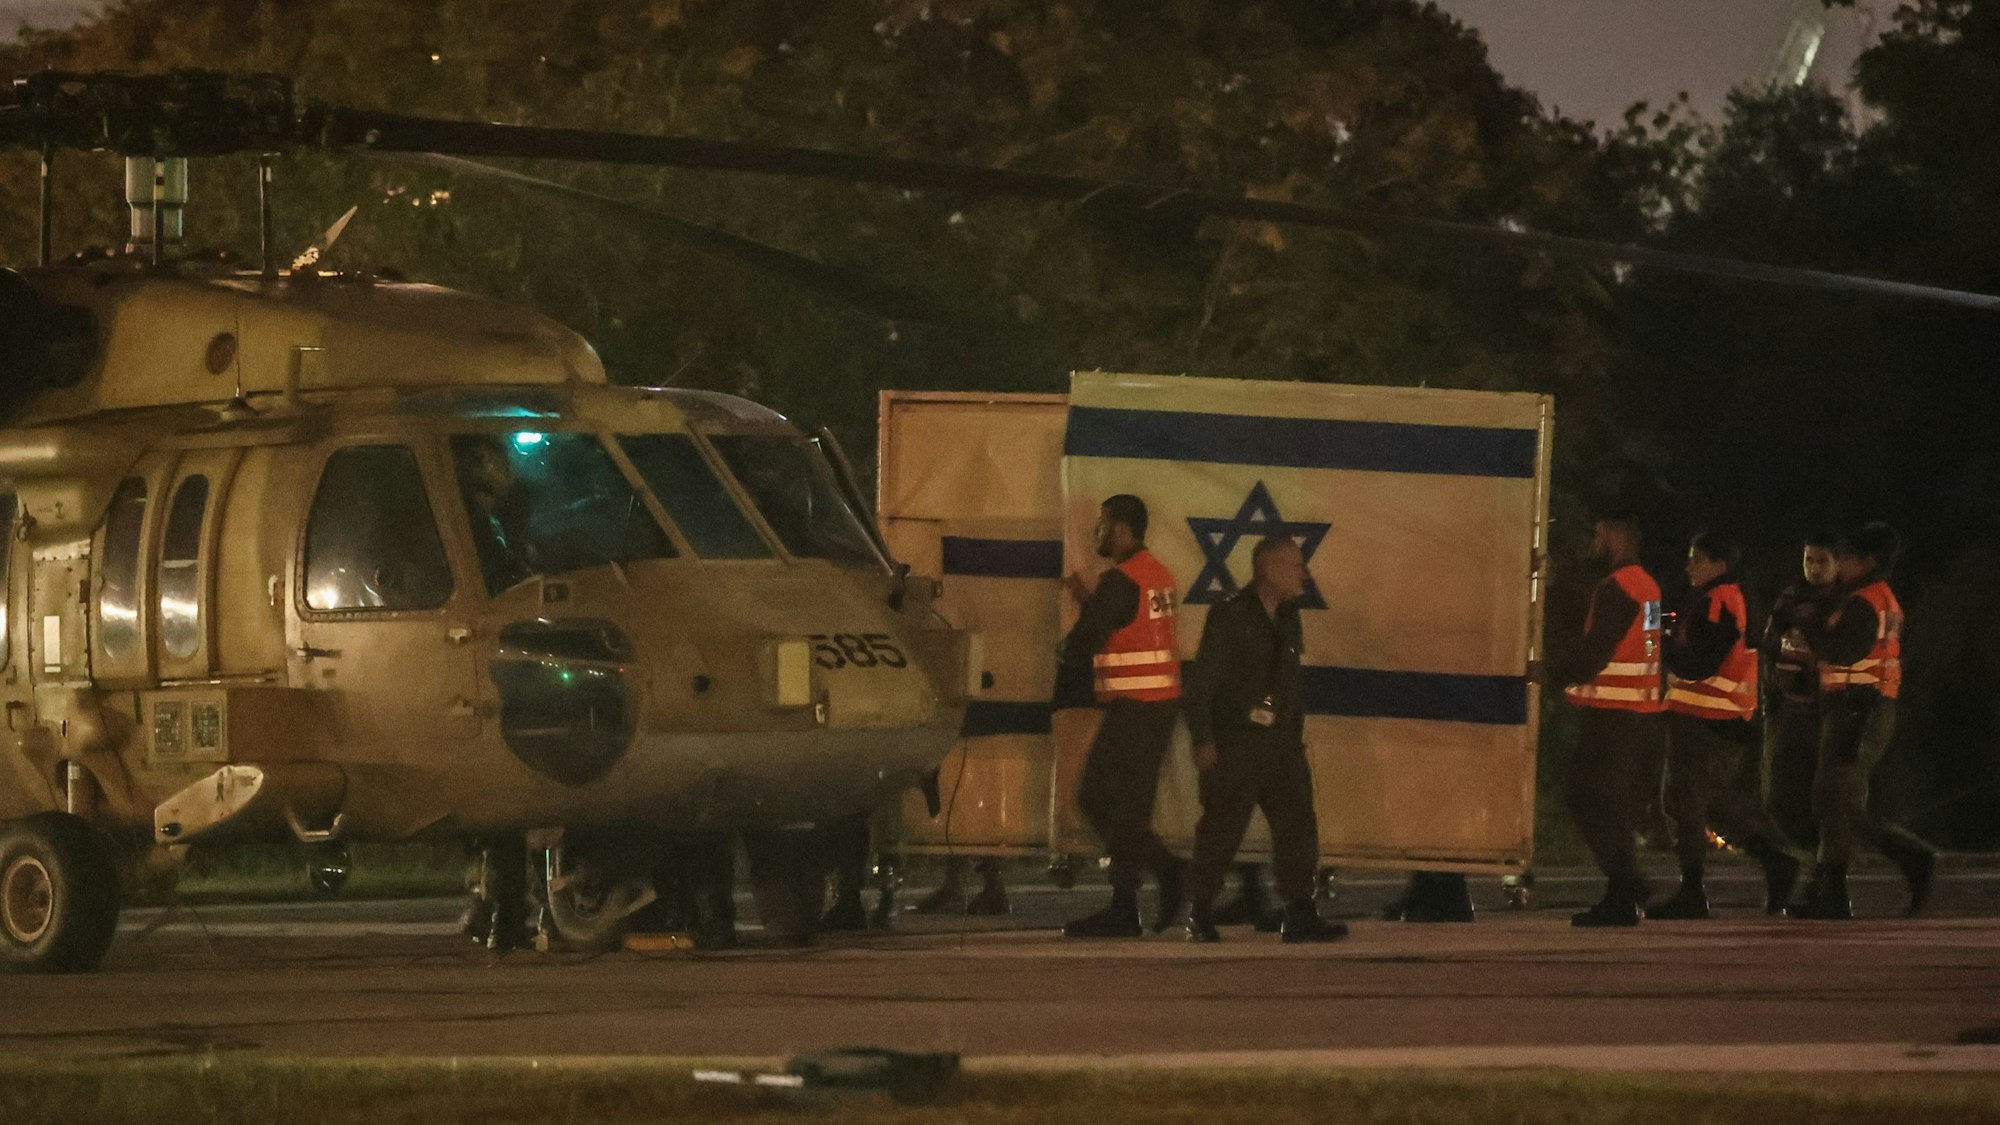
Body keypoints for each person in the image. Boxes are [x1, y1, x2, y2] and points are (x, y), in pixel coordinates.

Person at [1182, 536, 1346, 943]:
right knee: (1222, 830)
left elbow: (1288, 679)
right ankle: (1199, 911)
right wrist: (1203, 739)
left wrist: (1293, 733)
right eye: (1294, 565)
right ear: (1269, 569)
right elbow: (1202, 683)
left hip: (1281, 745)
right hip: (1237, 741)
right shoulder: (1230, 617)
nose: (1303, 573)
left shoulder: (1289, 616)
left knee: (1297, 827)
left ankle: (1299, 910)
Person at [1787, 523, 1939, 919]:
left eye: (1848, 558)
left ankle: (1909, 860)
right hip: (1856, 704)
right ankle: (1832, 890)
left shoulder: (1865, 600)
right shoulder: (1863, 596)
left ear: (1867, 560)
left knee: (1836, 796)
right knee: (1832, 797)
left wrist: (1807, 625)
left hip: (1862, 705)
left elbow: (1841, 651)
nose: (1841, 566)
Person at [1650, 531, 1801, 918]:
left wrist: (1665, 647)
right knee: (1712, 806)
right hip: (1722, 720)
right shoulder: (1727, 597)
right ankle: (1776, 862)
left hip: (1706, 720)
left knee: (1683, 802)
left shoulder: (1717, 601)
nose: (1688, 567)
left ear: (1719, 564)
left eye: (1696, 559)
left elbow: (1699, 663)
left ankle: (1692, 891)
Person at [1057, 494, 1189, 939]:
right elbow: (1128, 622)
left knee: (1095, 798)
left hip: (1135, 709)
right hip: (1159, 706)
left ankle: (1165, 873)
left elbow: (1083, 642)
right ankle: (1126, 905)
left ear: (1123, 529)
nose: (1098, 531)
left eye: (1104, 523)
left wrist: (1062, 648)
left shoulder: (1120, 581)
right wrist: (1091, 600)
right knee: (1130, 809)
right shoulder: (1158, 575)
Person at [1554, 514, 1667, 928]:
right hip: (1638, 714)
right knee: (1607, 802)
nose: (1593, 541)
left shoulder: (1617, 588)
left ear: (1618, 535)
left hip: (1613, 714)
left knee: (1586, 797)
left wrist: (1548, 671)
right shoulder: (1649, 587)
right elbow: (1651, 647)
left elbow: (1594, 653)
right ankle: (1623, 891)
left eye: (1598, 533)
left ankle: (1628, 883)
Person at [1761, 531, 1838, 855]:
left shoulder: (1842, 599)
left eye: (1822, 561)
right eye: (1809, 560)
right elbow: (1770, 641)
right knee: (1778, 788)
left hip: (1823, 706)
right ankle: (1798, 851)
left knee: (1823, 790)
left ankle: (1823, 853)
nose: (1814, 568)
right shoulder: (1791, 596)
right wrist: (1770, 688)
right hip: (1788, 704)